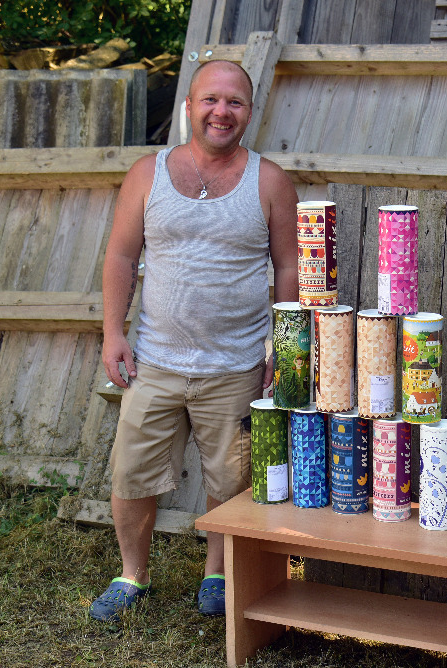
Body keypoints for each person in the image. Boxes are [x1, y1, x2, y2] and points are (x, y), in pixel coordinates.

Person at [90, 60, 299, 622]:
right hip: (154, 360)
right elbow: (121, 256)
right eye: (210, 99)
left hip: (236, 365)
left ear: (249, 112)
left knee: (231, 479)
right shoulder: (147, 174)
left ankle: (218, 574)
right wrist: (113, 333)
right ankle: (132, 575)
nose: (221, 112)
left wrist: (282, 350)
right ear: (189, 106)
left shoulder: (270, 182)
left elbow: (288, 268)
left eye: (234, 102)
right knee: (132, 473)